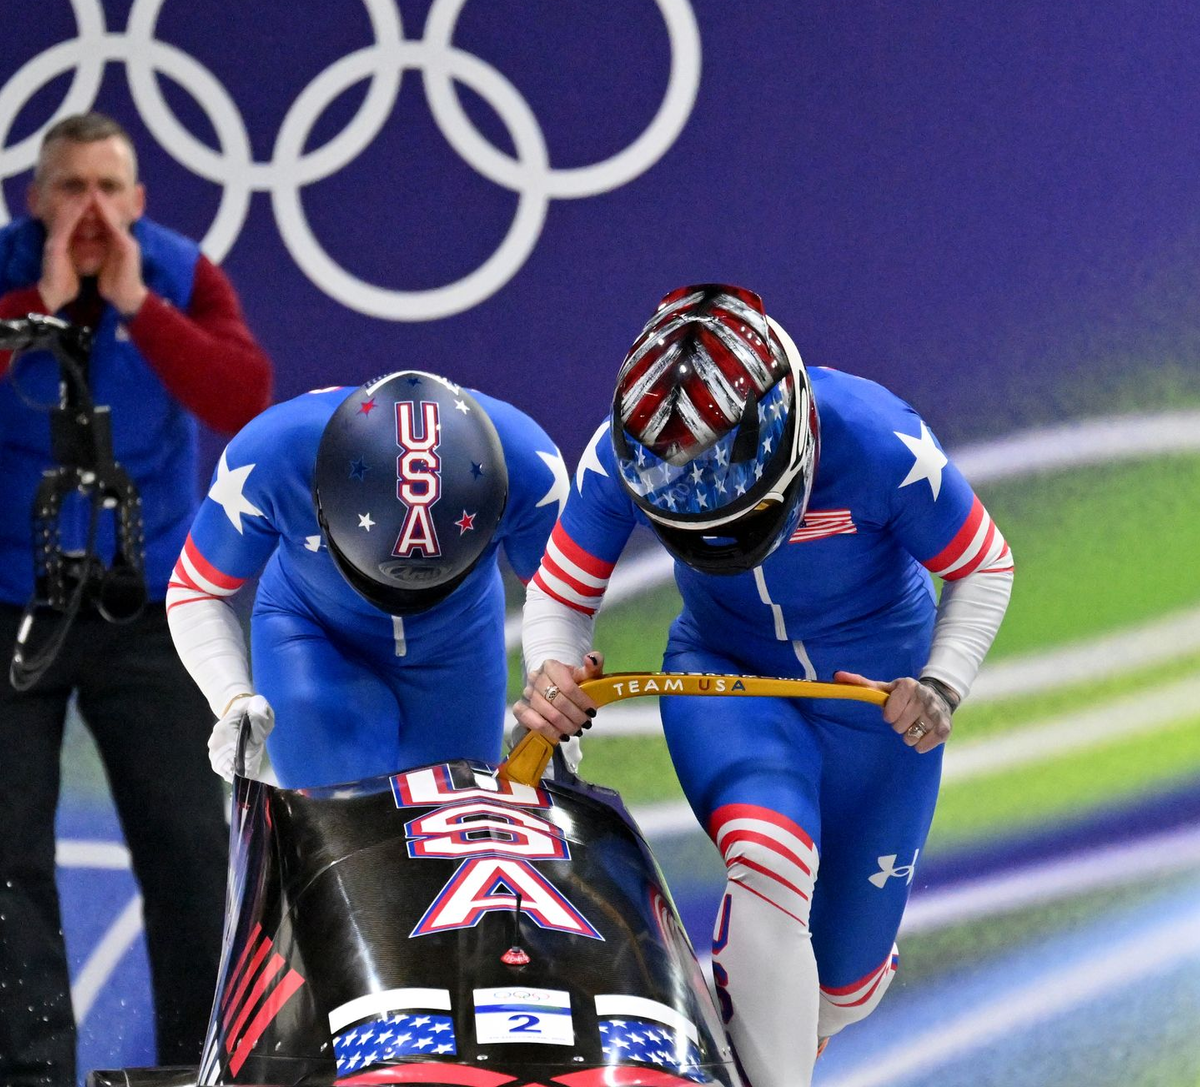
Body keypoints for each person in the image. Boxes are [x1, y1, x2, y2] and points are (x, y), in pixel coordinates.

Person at [515, 284, 1014, 1086]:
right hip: (727, 678)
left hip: (874, 707)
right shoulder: (622, 449)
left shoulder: (878, 440)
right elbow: (561, 596)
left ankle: (732, 1018)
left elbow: (984, 564)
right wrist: (551, 668)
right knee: (770, 859)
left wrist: (941, 682)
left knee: (844, 988)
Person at [0, 112, 273, 1086]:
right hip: (13, 602)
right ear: (31, 201)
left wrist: (137, 309)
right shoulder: (7, 270)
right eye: (70, 187)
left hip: (148, 606)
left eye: (110, 189)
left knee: (190, 852)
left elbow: (244, 395)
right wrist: (39, 304)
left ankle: (201, 1067)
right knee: (6, 858)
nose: (91, 208)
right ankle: (29, 1072)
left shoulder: (182, 273)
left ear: (139, 201)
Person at [167, 370, 567, 789]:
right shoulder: (272, 455)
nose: (401, 595)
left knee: (453, 836)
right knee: (344, 822)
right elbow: (197, 590)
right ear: (321, 503)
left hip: (457, 641)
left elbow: (562, 598)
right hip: (314, 633)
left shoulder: (530, 469)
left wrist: (553, 699)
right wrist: (231, 696)